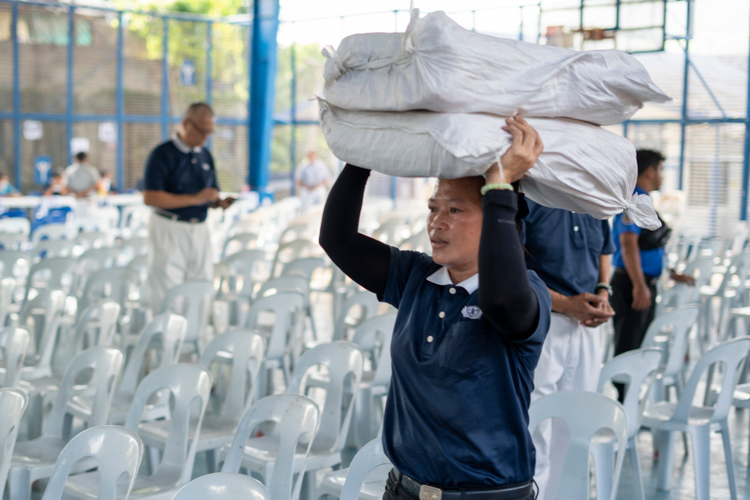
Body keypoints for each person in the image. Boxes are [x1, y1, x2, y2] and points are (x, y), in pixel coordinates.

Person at [320, 116, 551, 500]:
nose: (436, 224)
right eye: (432, 209)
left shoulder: (527, 292)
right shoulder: (416, 277)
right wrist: (361, 152)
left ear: (498, 219)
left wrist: (499, 186)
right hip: (404, 490)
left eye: (455, 211)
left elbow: (501, 300)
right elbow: (337, 238)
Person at [521, 202, 615, 500]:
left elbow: (604, 251)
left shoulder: (594, 201)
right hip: (543, 322)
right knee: (538, 423)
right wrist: (565, 304)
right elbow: (512, 271)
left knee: (576, 424)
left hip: (586, 325)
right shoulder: (530, 199)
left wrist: (602, 291)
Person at [611, 149, 694, 400]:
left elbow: (649, 245)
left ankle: (632, 401)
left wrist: (668, 272)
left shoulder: (644, 200)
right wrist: (639, 285)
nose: (662, 176)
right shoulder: (633, 200)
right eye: (660, 170)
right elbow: (628, 244)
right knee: (629, 346)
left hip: (644, 282)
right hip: (632, 284)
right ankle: (623, 404)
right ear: (649, 171)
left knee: (639, 343)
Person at [142, 102, 235, 311]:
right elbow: (150, 197)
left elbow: (209, 193)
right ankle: (169, 340)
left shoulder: (205, 155)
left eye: (209, 132)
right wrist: (194, 198)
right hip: (170, 227)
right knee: (168, 289)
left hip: (200, 228)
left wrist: (217, 202)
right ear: (186, 123)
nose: (204, 137)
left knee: (201, 286)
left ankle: (196, 338)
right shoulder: (162, 154)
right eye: (201, 130)